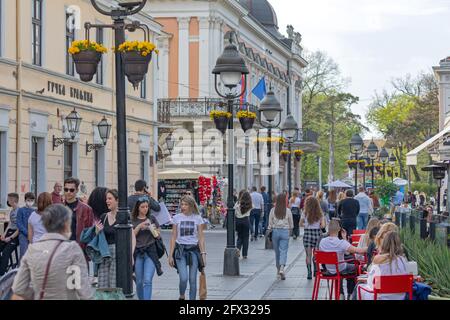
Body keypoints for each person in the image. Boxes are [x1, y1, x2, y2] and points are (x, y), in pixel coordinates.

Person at [11, 204, 94, 300]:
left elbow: (19, 288)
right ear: (66, 224)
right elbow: (84, 291)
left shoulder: (32, 249)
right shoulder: (72, 249)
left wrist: (38, 292)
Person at [168, 195, 206, 300]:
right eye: (182, 204)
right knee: (183, 278)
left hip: (193, 250)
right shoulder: (177, 218)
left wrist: (203, 254)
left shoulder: (198, 218)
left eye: (186, 204)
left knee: (192, 279)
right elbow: (173, 237)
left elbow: (201, 238)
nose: (183, 206)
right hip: (180, 250)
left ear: (191, 205)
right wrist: (170, 255)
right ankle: (182, 295)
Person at [319, 220, 367, 300]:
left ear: (328, 229)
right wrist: (370, 247)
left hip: (328, 269)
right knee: (355, 267)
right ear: (339, 230)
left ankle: (340, 293)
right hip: (340, 268)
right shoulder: (341, 243)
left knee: (339, 267)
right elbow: (357, 251)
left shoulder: (322, 242)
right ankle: (351, 293)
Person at [95, 189, 134, 289]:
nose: (107, 201)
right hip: (104, 253)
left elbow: (132, 236)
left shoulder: (124, 216)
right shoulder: (103, 216)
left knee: (114, 284)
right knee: (102, 283)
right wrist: (97, 231)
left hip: (118, 252)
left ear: (117, 200)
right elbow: (98, 236)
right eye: (106, 199)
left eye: (110, 198)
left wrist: (131, 255)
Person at [356, 231, 409, 300]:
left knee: (359, 287)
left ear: (384, 243)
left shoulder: (379, 260)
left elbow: (372, 284)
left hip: (381, 297)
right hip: (400, 297)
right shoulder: (403, 260)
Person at [132, 197, 162, 300]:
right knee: (139, 282)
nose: (145, 209)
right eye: (142, 207)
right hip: (138, 252)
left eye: (147, 206)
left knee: (147, 280)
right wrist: (139, 226)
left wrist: (151, 227)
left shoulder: (152, 218)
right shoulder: (133, 220)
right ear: (138, 208)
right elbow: (131, 236)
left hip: (150, 252)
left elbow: (158, 236)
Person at [268, 194, 293, 281]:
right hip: (285, 231)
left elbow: (270, 224)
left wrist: (270, 230)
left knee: (277, 252)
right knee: (283, 251)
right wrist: (290, 232)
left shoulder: (273, 210)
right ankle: (282, 268)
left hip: (275, 231)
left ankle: (278, 270)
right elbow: (291, 224)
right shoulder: (288, 211)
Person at [300, 196, 326, 280]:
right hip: (317, 234)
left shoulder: (305, 212)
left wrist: (307, 225)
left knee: (308, 254)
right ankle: (315, 270)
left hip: (307, 233)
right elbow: (322, 225)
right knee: (316, 253)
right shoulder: (320, 213)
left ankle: (309, 273)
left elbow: (300, 224)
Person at [63, 177, 94, 247]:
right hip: (62, 248)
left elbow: (89, 232)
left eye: (71, 190)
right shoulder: (58, 208)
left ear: (77, 190)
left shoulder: (86, 209)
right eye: (66, 189)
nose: (68, 192)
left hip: (79, 248)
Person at [0, 193, 20, 276]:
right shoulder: (12, 211)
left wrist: (10, 238)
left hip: (15, 235)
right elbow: (10, 224)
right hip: (9, 232)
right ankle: (2, 266)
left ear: (13, 200)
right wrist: (4, 234)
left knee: (5, 252)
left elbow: (19, 229)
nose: (7, 201)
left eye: (8, 199)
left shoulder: (20, 211)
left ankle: (1, 273)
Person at [16, 192, 36, 258]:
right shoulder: (20, 210)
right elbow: (19, 223)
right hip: (23, 235)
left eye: (32, 200)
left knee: (32, 254)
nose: (30, 202)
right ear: (25, 200)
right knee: (23, 254)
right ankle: (21, 267)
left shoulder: (34, 211)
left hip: (33, 235)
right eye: (28, 200)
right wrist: (27, 233)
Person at [235, 191, 252, 259]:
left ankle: (238, 249)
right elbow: (252, 208)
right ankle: (245, 254)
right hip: (246, 221)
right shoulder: (250, 205)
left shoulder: (238, 203)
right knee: (246, 238)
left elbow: (234, 209)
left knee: (239, 236)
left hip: (238, 221)